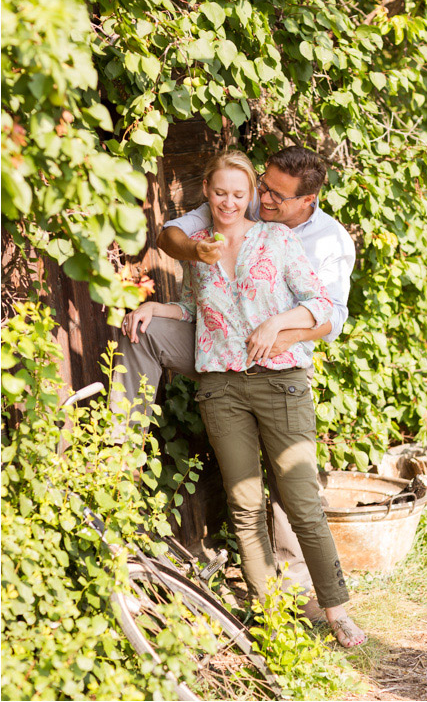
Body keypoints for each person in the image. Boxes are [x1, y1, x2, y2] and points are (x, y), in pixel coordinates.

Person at [123, 150, 365, 647]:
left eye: (242, 194)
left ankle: (337, 609)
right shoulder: (202, 244)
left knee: (300, 500)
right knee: (244, 502)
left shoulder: (280, 238)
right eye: (220, 193)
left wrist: (279, 322)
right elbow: (195, 307)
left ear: (250, 196)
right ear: (207, 192)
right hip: (222, 386)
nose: (231, 202)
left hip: (281, 381)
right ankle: (269, 609)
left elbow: (324, 305)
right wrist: (157, 306)